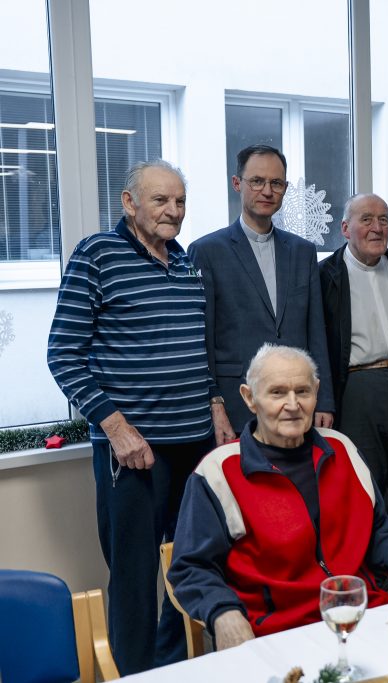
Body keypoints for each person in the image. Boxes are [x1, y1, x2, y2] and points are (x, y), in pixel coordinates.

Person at [46, 159, 220, 674]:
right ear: (129, 202)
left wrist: (214, 407)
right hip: (136, 453)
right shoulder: (97, 254)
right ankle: (135, 675)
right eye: (161, 200)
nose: (173, 211)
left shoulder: (185, 261)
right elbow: (63, 354)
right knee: (135, 580)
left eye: (180, 201)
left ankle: (178, 669)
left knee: (191, 568)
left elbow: (198, 350)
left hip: (195, 447)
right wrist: (117, 428)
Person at [169, 344, 388, 649]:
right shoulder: (219, 471)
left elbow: (378, 532)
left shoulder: (342, 449)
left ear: (316, 392)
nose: (292, 404)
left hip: (361, 616)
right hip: (278, 633)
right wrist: (223, 612)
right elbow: (190, 568)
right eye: (277, 393)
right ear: (249, 398)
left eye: (302, 391)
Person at [188, 144, 334, 434]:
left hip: (297, 400)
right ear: (237, 183)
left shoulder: (302, 251)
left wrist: (325, 399)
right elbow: (203, 339)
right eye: (257, 181)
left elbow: (316, 331)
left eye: (276, 183)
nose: (267, 191)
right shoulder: (207, 251)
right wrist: (213, 405)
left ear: (285, 188)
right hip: (237, 400)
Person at [319, 193, 388, 536]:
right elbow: (318, 341)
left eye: (383, 219)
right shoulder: (326, 275)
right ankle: (371, 563)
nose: (377, 227)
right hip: (359, 389)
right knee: (363, 482)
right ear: (345, 228)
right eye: (366, 219)